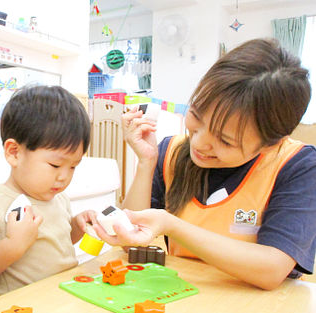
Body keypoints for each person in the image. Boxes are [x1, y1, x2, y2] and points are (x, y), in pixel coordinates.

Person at [93, 38, 316, 290]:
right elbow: (131, 242)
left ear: (270, 144)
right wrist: (146, 162)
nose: (199, 143)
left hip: (257, 312)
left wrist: (172, 225)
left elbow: (272, 269)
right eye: (196, 116)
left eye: (225, 140)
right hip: (184, 297)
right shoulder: (171, 151)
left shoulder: (298, 165)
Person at [0, 85, 97, 295]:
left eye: (73, 166)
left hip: (65, 296)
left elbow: (54, 242)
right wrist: (12, 246)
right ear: (14, 152)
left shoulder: (58, 198)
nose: (64, 176)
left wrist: (77, 227)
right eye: (55, 165)